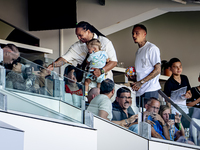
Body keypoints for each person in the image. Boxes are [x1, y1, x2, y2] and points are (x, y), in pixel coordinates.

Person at [47, 21, 117, 81]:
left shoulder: (104, 42)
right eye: (77, 36)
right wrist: (54, 65)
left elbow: (113, 62)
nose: (79, 38)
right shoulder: (77, 46)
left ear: (88, 32)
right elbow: (64, 59)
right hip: (87, 82)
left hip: (104, 81)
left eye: (80, 35)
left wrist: (101, 71)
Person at [130, 24, 161, 107]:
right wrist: (134, 78)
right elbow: (144, 71)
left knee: (149, 117)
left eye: (137, 33)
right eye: (133, 33)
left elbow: (158, 70)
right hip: (140, 91)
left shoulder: (152, 48)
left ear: (144, 34)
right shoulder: (138, 52)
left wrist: (141, 82)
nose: (134, 35)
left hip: (150, 90)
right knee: (140, 117)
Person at [164, 58, 192, 128]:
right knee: (177, 130)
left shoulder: (185, 78)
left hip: (185, 111)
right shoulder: (169, 83)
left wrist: (188, 94)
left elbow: (189, 91)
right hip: (174, 112)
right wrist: (170, 114)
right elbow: (167, 100)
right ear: (170, 69)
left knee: (186, 129)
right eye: (175, 67)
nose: (178, 69)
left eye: (180, 66)